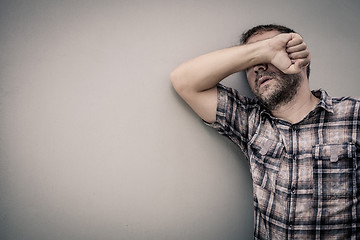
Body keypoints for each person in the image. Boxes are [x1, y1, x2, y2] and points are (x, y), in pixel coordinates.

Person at [170, 24, 360, 239]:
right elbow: (184, 80)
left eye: (273, 52)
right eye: (251, 63)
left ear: (300, 60)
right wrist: (264, 51)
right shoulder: (250, 121)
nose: (257, 67)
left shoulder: (353, 114)